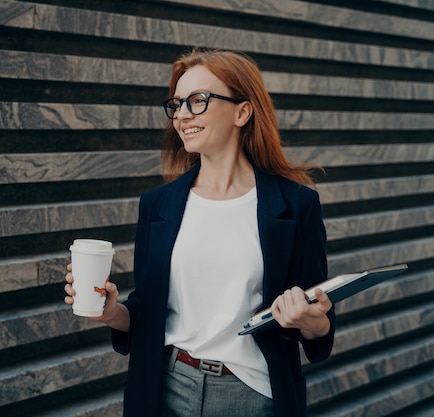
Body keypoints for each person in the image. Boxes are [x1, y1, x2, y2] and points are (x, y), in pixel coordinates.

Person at [64, 48, 335, 417]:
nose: (182, 116)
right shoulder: (157, 205)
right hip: (166, 388)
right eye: (176, 104)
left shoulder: (296, 205)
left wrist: (312, 321)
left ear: (242, 111)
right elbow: (147, 309)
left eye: (198, 101)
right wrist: (113, 312)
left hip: (251, 394)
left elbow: (318, 318)